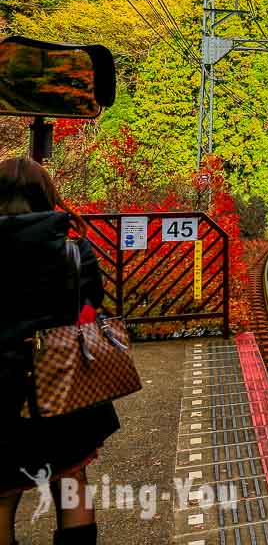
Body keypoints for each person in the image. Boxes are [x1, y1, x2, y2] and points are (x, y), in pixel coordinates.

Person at [0, 157, 119, 545]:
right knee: (71, 478)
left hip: (0, 384)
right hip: (62, 376)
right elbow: (92, 304)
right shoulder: (72, 245)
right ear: (46, 194)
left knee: (2, 491)